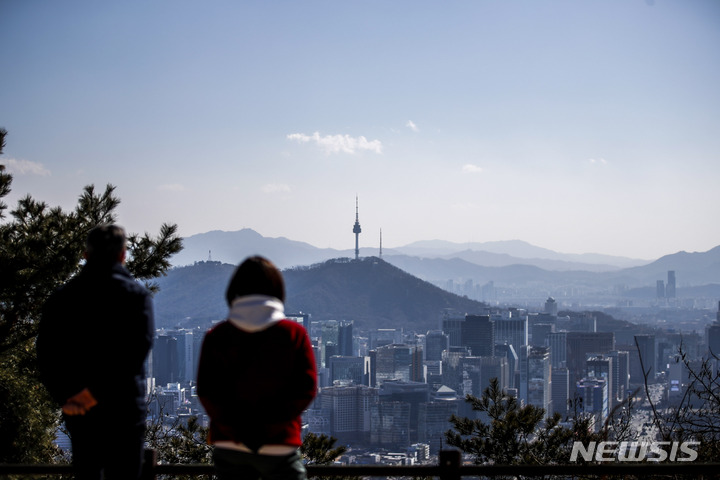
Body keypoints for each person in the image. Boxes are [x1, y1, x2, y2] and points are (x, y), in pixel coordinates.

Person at [37, 224, 154, 480]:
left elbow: (46, 354)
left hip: (80, 410)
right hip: (124, 409)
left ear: (86, 254)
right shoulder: (135, 296)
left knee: (87, 472)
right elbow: (135, 353)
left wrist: (70, 396)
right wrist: (96, 393)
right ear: (123, 255)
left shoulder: (63, 297)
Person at [197, 256, 317, 480]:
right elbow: (306, 389)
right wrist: (271, 427)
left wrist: (235, 429)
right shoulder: (293, 334)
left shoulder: (218, 336)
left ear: (234, 290)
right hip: (279, 443)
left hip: (230, 443)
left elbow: (207, 391)